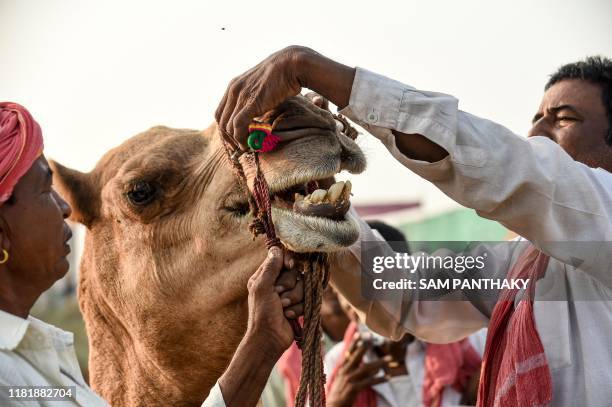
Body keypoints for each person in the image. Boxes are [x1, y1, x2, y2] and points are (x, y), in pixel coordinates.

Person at [216, 47, 612, 406]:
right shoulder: (522, 271)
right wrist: (318, 204)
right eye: (536, 119)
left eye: (563, 119)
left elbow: (512, 168)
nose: (536, 134)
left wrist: (313, 70)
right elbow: (405, 294)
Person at [0, 102, 304, 406]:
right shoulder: (8, 381)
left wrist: (261, 345)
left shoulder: (44, 360)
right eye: (43, 190)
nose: (63, 207)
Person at [324, 221, 485, 407]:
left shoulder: (473, 341)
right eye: (349, 294)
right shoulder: (335, 366)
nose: (364, 307)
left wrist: (491, 377)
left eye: (374, 289)